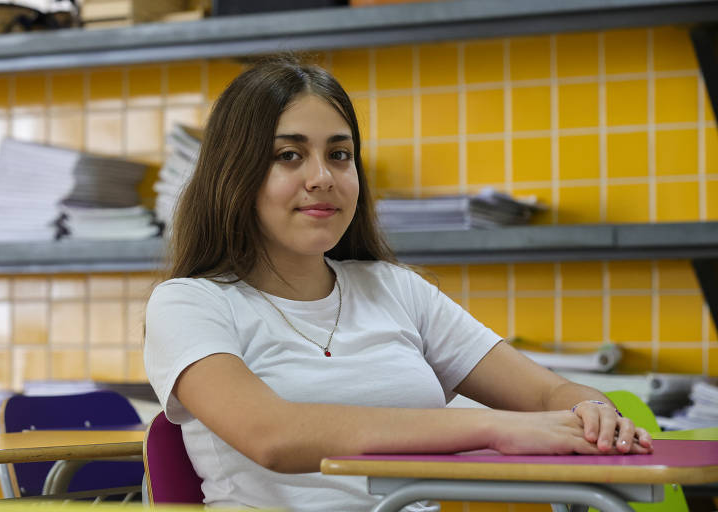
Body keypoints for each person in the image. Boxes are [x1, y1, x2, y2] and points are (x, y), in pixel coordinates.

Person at [144, 56, 653, 512]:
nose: (322, 177)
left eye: (340, 155)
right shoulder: (189, 303)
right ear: (233, 175)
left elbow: (550, 392)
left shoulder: (395, 289)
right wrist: (495, 427)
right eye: (289, 156)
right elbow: (271, 435)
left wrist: (594, 413)